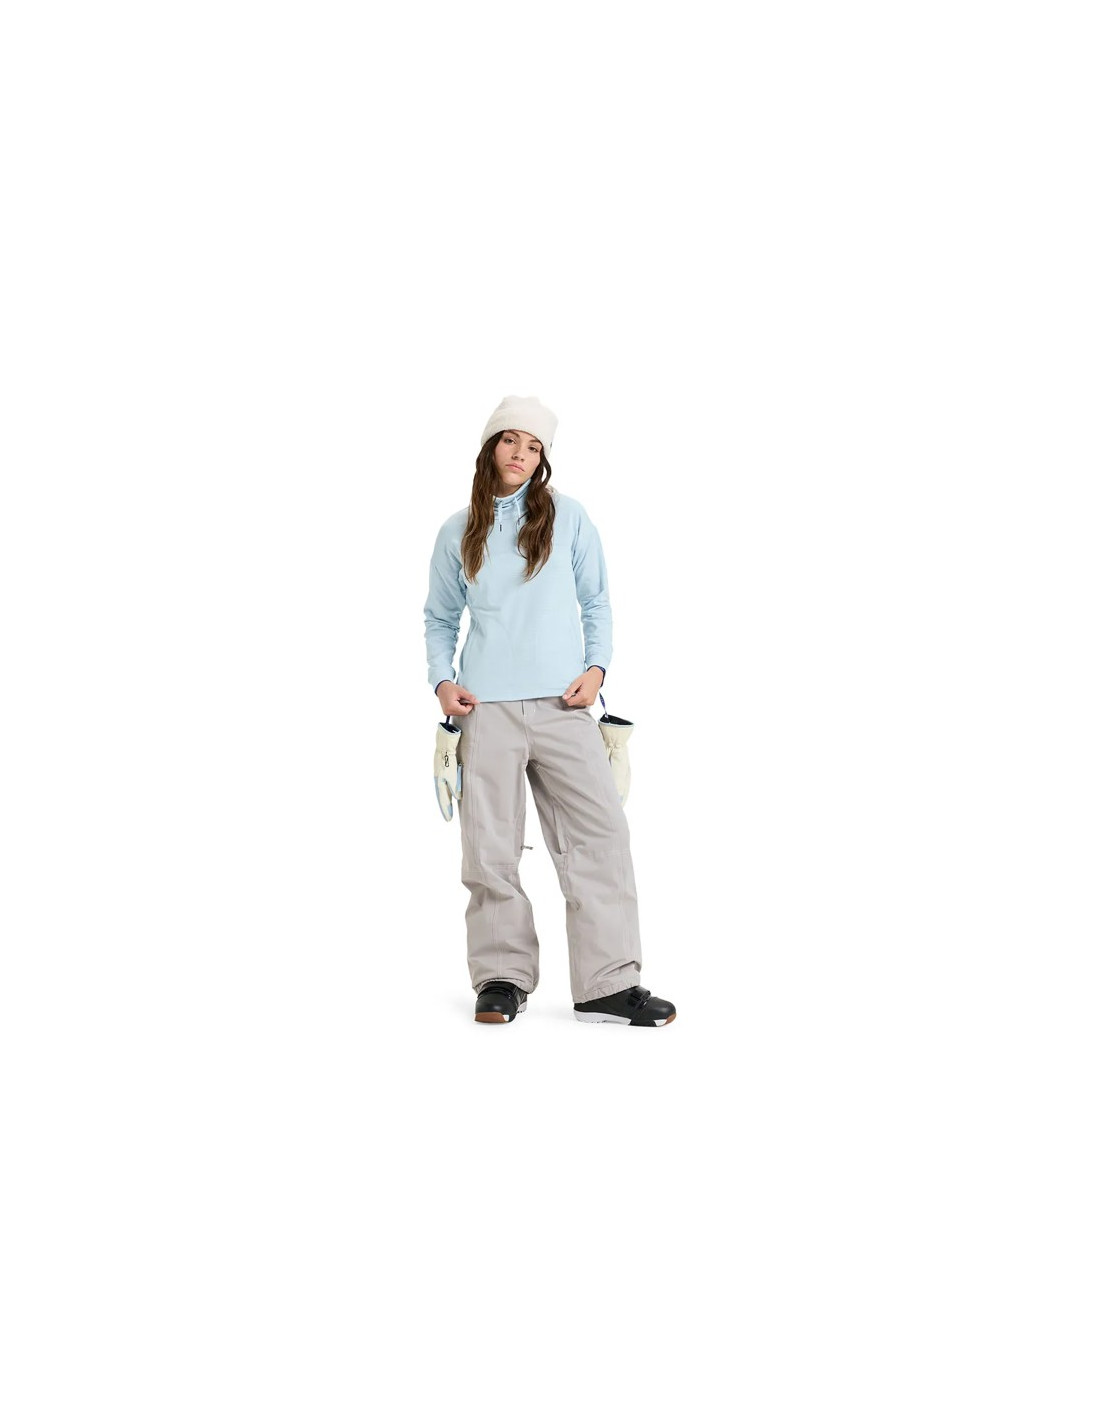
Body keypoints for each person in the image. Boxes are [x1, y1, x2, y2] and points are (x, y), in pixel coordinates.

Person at [423, 394, 676, 1027]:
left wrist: (597, 669)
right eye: (510, 440)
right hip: (486, 708)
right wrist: (442, 681)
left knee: (600, 836)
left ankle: (607, 986)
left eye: (534, 446)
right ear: (490, 448)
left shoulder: (569, 518)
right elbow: (440, 617)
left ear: (543, 459)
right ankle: (502, 977)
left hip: (565, 705)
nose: (521, 453)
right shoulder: (458, 530)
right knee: (490, 848)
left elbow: (597, 601)